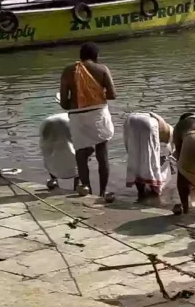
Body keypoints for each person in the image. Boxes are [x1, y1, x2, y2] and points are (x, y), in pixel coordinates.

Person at [59, 42, 116, 198]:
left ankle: (86, 190)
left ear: (81, 56)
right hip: (98, 113)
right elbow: (112, 95)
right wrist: (95, 94)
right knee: (102, 153)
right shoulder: (102, 69)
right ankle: (103, 192)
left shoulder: (68, 71)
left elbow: (64, 103)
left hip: (77, 116)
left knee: (81, 153)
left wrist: (78, 99)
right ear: (96, 56)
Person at [123, 111, 173, 202]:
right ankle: (155, 192)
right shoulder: (172, 136)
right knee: (151, 163)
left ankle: (141, 192)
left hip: (131, 119)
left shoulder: (166, 128)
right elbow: (167, 159)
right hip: (149, 124)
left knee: (136, 158)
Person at [40, 113, 79, 191]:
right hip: (66, 122)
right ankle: (77, 185)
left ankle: (54, 182)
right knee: (79, 152)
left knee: (49, 152)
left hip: (46, 122)